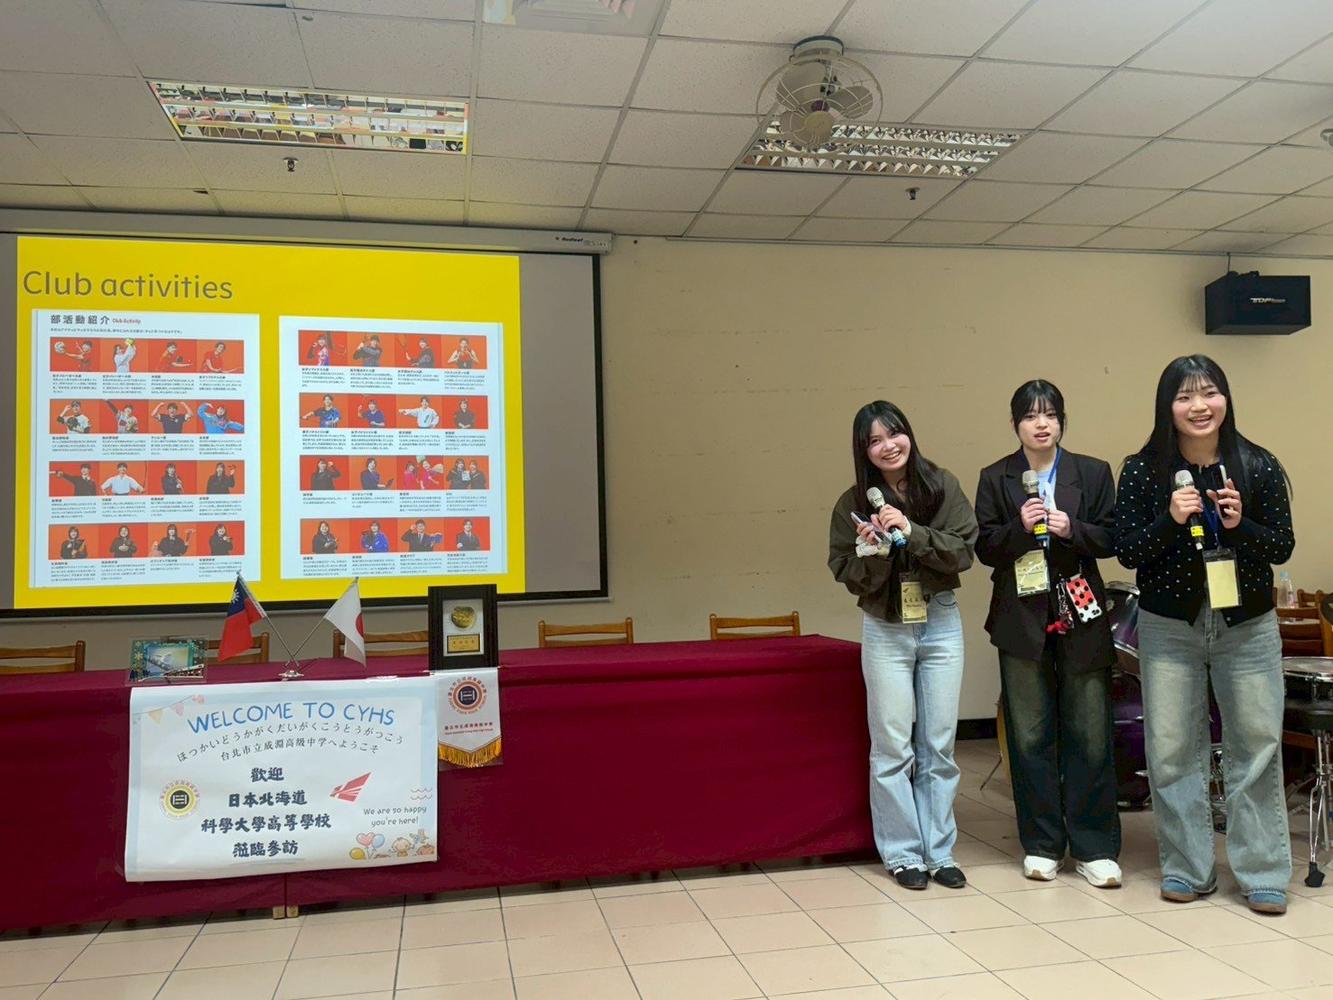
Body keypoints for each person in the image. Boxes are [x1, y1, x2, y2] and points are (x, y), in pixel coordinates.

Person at [1115, 354, 1294, 915]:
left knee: (1256, 746)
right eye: (1185, 396)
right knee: (1172, 751)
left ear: (1225, 399)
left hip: (1247, 625)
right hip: (1171, 626)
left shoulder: (1257, 464)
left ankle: (1263, 872)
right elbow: (1128, 551)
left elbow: (1282, 545)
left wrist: (1241, 525)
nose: (1199, 406)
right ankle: (1187, 868)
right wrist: (1171, 518)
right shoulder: (1142, 470)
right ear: (1167, 407)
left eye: (1209, 393)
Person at [974, 380, 1121, 888]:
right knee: (1030, 734)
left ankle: (1095, 847)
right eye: (1031, 416)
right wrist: (1020, 527)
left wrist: (1071, 529)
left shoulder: (1093, 472)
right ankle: (1041, 844)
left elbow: (1113, 538)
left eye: (1051, 414)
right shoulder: (995, 477)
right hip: (1021, 616)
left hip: (1081, 611)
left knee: (1090, 732)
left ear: (1062, 420)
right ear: (1015, 424)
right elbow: (985, 549)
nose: (1042, 424)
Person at [828, 400, 978, 890]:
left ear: (908, 434)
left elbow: (963, 551)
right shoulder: (851, 503)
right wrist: (872, 551)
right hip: (885, 627)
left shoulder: (942, 485)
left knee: (939, 744)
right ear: (863, 451)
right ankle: (902, 853)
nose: (888, 446)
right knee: (892, 745)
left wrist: (912, 532)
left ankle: (939, 851)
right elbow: (845, 571)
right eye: (874, 441)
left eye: (894, 434)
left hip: (940, 621)